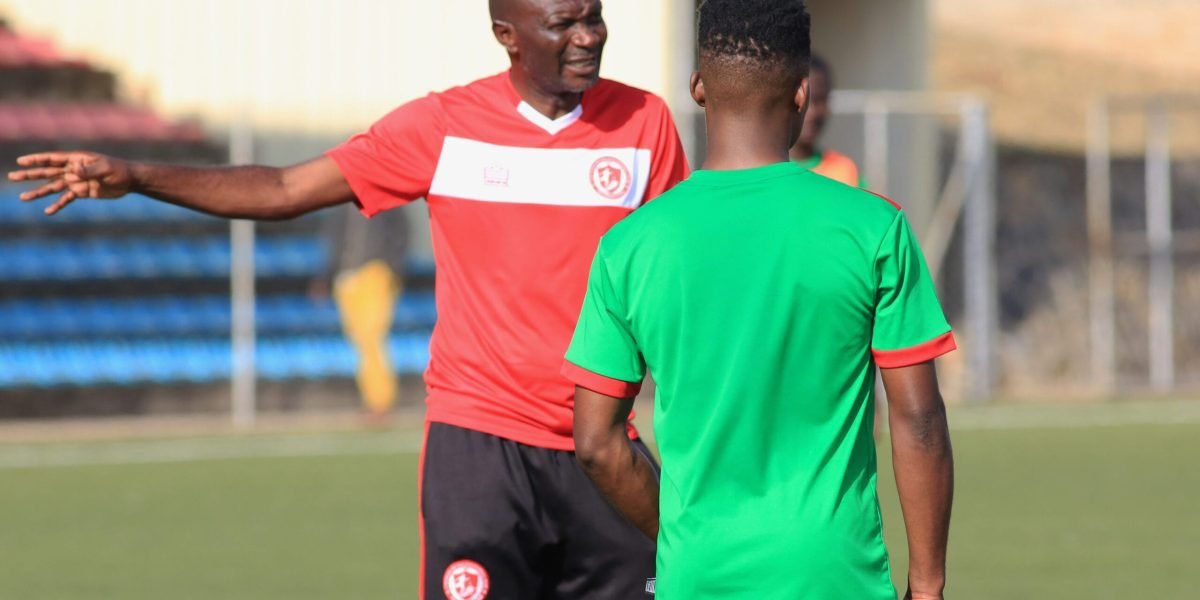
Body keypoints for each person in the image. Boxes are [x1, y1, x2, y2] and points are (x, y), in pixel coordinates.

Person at [8, 0, 689, 597]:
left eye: (595, 16)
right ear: (507, 34)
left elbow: (682, 277)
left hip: (605, 448)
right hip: (481, 450)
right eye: (563, 23)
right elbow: (282, 190)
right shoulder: (441, 126)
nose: (588, 36)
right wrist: (138, 175)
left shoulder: (646, 123)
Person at [564, 1, 954, 598]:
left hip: (700, 573)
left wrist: (682, 535)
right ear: (801, 93)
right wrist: (926, 585)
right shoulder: (874, 228)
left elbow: (595, 443)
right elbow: (917, 418)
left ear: (697, 86)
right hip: (832, 573)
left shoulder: (629, 245)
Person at [312, 204, 410, 424]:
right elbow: (333, 243)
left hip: (374, 274)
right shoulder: (340, 206)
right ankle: (373, 400)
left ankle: (380, 402)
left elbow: (401, 234)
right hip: (345, 278)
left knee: (371, 338)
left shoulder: (387, 202)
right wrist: (325, 276)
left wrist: (393, 268)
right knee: (361, 342)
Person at [789, 53, 868, 188]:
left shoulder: (845, 171)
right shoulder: (763, 172)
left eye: (820, 100)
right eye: (804, 100)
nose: (812, 113)